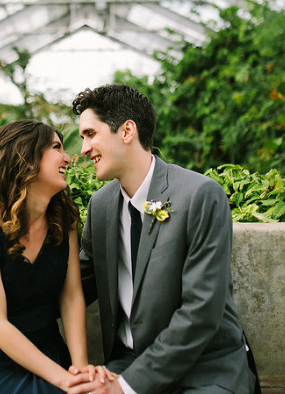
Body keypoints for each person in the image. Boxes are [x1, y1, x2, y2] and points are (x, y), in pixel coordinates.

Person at [68, 84, 256, 394]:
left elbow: (201, 311)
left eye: (90, 134)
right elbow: (74, 283)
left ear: (127, 130)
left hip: (204, 369)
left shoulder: (200, 195)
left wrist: (127, 387)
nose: (84, 149)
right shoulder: (100, 206)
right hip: (127, 362)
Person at [0, 120, 113, 393]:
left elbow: (72, 295)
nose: (68, 157)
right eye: (57, 147)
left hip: (47, 349)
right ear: (27, 159)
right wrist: (65, 380)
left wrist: (80, 370)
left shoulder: (63, 220)